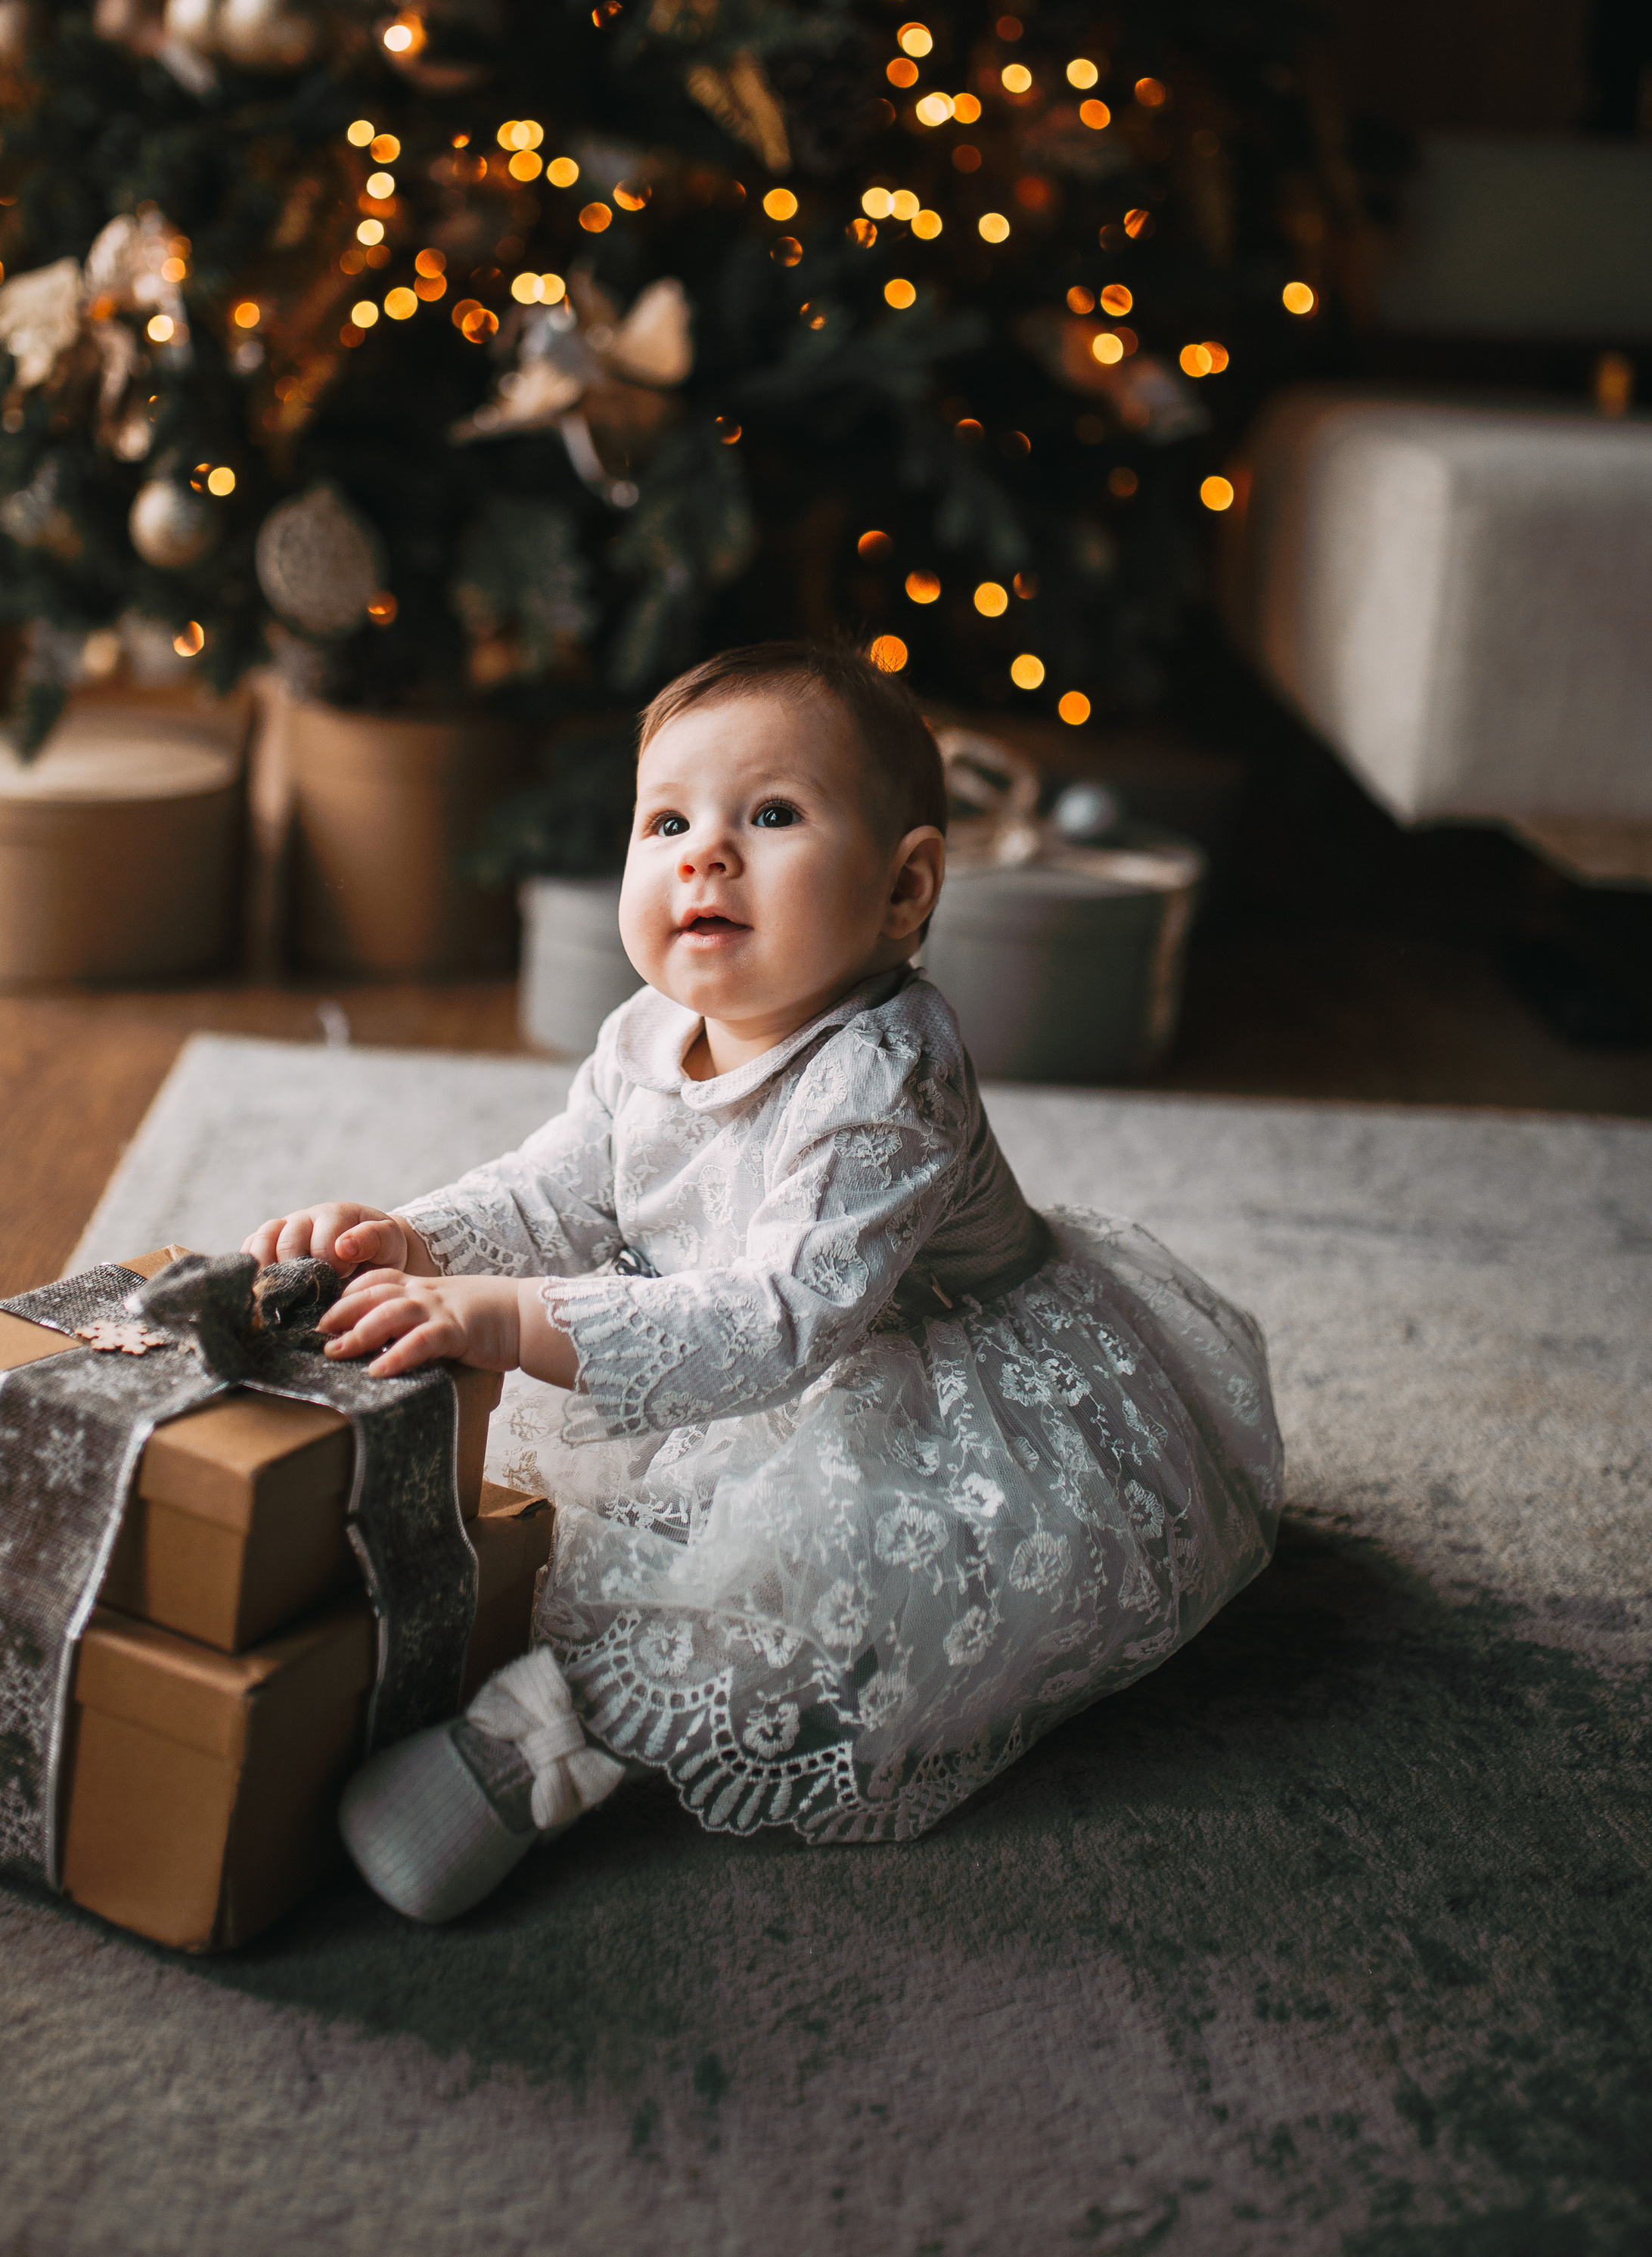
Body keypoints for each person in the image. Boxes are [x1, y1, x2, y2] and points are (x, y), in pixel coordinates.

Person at [244, 641, 1283, 1920]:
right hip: (717, 1343)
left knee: (839, 1592)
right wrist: (419, 1244)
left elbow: (784, 1322)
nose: (706, 856)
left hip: (916, 1381)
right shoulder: (647, 1032)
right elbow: (560, 1192)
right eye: (668, 822)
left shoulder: (886, 1074)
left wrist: (511, 1319)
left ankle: (548, 1737)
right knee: (549, 1485)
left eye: (773, 816)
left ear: (905, 888)